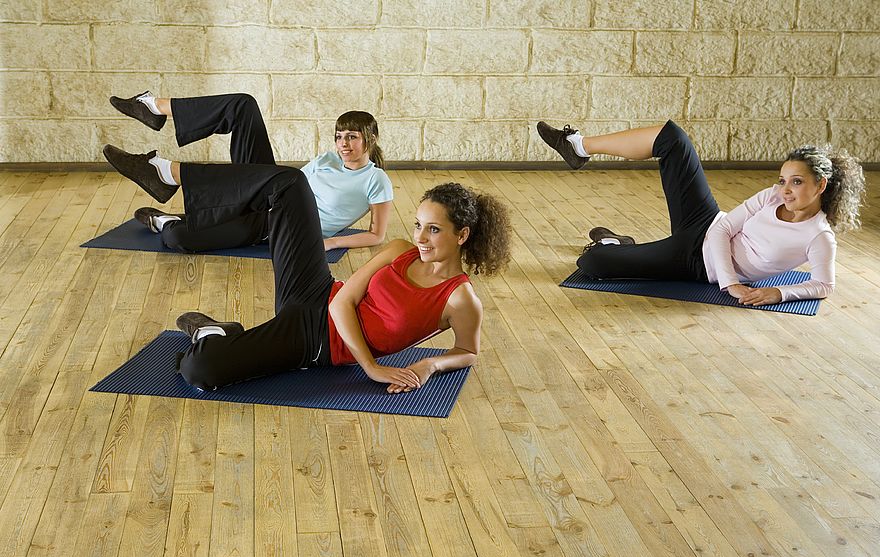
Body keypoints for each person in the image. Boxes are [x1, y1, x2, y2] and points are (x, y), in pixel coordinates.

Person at [100, 144, 511, 392]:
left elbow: (467, 351)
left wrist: (427, 364)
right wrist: (371, 366)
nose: (420, 237)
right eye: (419, 224)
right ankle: (169, 176)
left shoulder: (460, 299)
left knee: (200, 371)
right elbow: (343, 300)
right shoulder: (401, 249)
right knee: (289, 184)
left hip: (314, 341)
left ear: (462, 235)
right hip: (317, 292)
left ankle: (212, 334)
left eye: (434, 230)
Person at [536, 120, 865, 305]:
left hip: (694, 262)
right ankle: (578, 147)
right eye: (782, 180)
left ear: (820, 185)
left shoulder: (819, 236)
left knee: (591, 265)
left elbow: (823, 285)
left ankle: (616, 245)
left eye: (796, 182)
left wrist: (778, 292)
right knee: (674, 139)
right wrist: (732, 284)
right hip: (707, 224)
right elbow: (722, 229)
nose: (786, 189)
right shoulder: (772, 197)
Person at [107, 91, 393, 253]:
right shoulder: (327, 159)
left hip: (281, 223)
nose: (344, 144)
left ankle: (168, 215)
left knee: (177, 239)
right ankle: (156, 109)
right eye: (339, 136)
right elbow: (282, 182)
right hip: (270, 195)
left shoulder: (375, 179)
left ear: (370, 138)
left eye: (352, 137)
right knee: (244, 105)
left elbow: (376, 235)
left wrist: (331, 242)